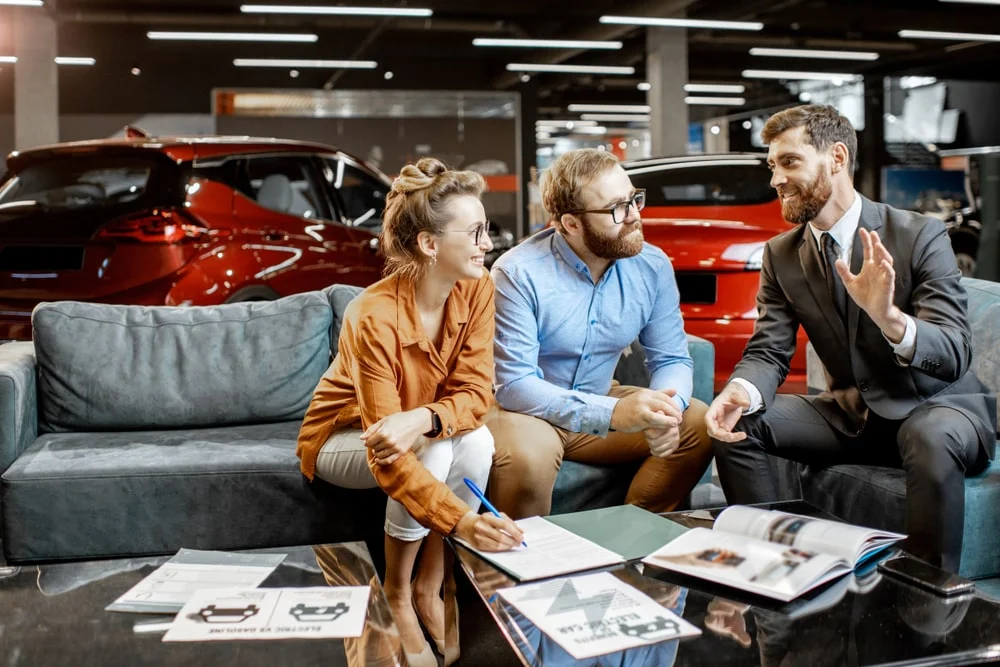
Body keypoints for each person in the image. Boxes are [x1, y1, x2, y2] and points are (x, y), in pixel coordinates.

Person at [706, 104, 996, 573]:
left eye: (790, 162)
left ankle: (929, 601)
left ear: (836, 158)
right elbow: (768, 348)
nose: (776, 179)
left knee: (928, 434)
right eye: (772, 166)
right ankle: (771, 569)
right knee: (742, 422)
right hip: (851, 414)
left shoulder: (920, 234)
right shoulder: (781, 254)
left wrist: (890, 319)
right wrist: (740, 390)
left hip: (940, 408)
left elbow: (954, 352)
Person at [296, 157, 524, 667]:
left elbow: (474, 396)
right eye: (477, 233)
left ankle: (431, 584)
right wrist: (463, 522)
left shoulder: (477, 287)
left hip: (415, 428)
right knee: (431, 448)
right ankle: (398, 592)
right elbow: (387, 456)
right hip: (344, 440)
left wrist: (421, 417)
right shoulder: (372, 316)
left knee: (477, 440)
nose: (489, 244)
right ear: (429, 245)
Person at [487, 148, 714, 519]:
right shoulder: (517, 273)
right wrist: (613, 413)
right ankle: (522, 570)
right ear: (570, 224)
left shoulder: (652, 266)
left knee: (697, 425)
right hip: (526, 411)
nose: (635, 216)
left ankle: (627, 546)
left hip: (599, 395)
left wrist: (667, 411)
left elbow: (671, 357)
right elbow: (515, 385)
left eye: (634, 200)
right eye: (616, 208)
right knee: (529, 457)